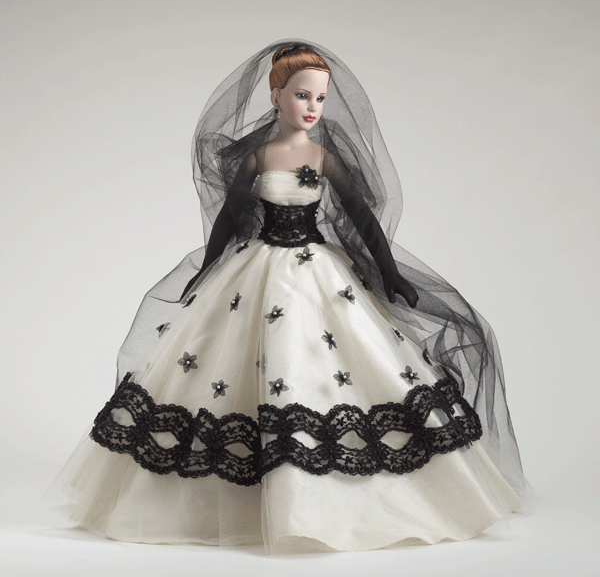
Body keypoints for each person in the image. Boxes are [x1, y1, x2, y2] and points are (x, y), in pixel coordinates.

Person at [46, 40, 525, 554]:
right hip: (258, 270)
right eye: (302, 95)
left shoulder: (324, 157)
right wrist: (207, 269)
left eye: (319, 98)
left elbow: (362, 219)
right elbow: (230, 220)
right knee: (223, 364)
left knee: (351, 362)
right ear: (276, 96)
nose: (312, 107)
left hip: (319, 273)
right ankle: (228, 499)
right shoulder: (257, 158)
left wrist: (388, 272)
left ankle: (341, 499)